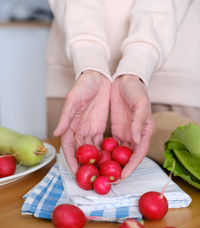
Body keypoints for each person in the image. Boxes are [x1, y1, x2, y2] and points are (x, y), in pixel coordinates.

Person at [46, 0, 200, 178]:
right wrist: (89, 61)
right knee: (68, 181)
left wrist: (139, 63)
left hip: (172, 75)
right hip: (75, 71)